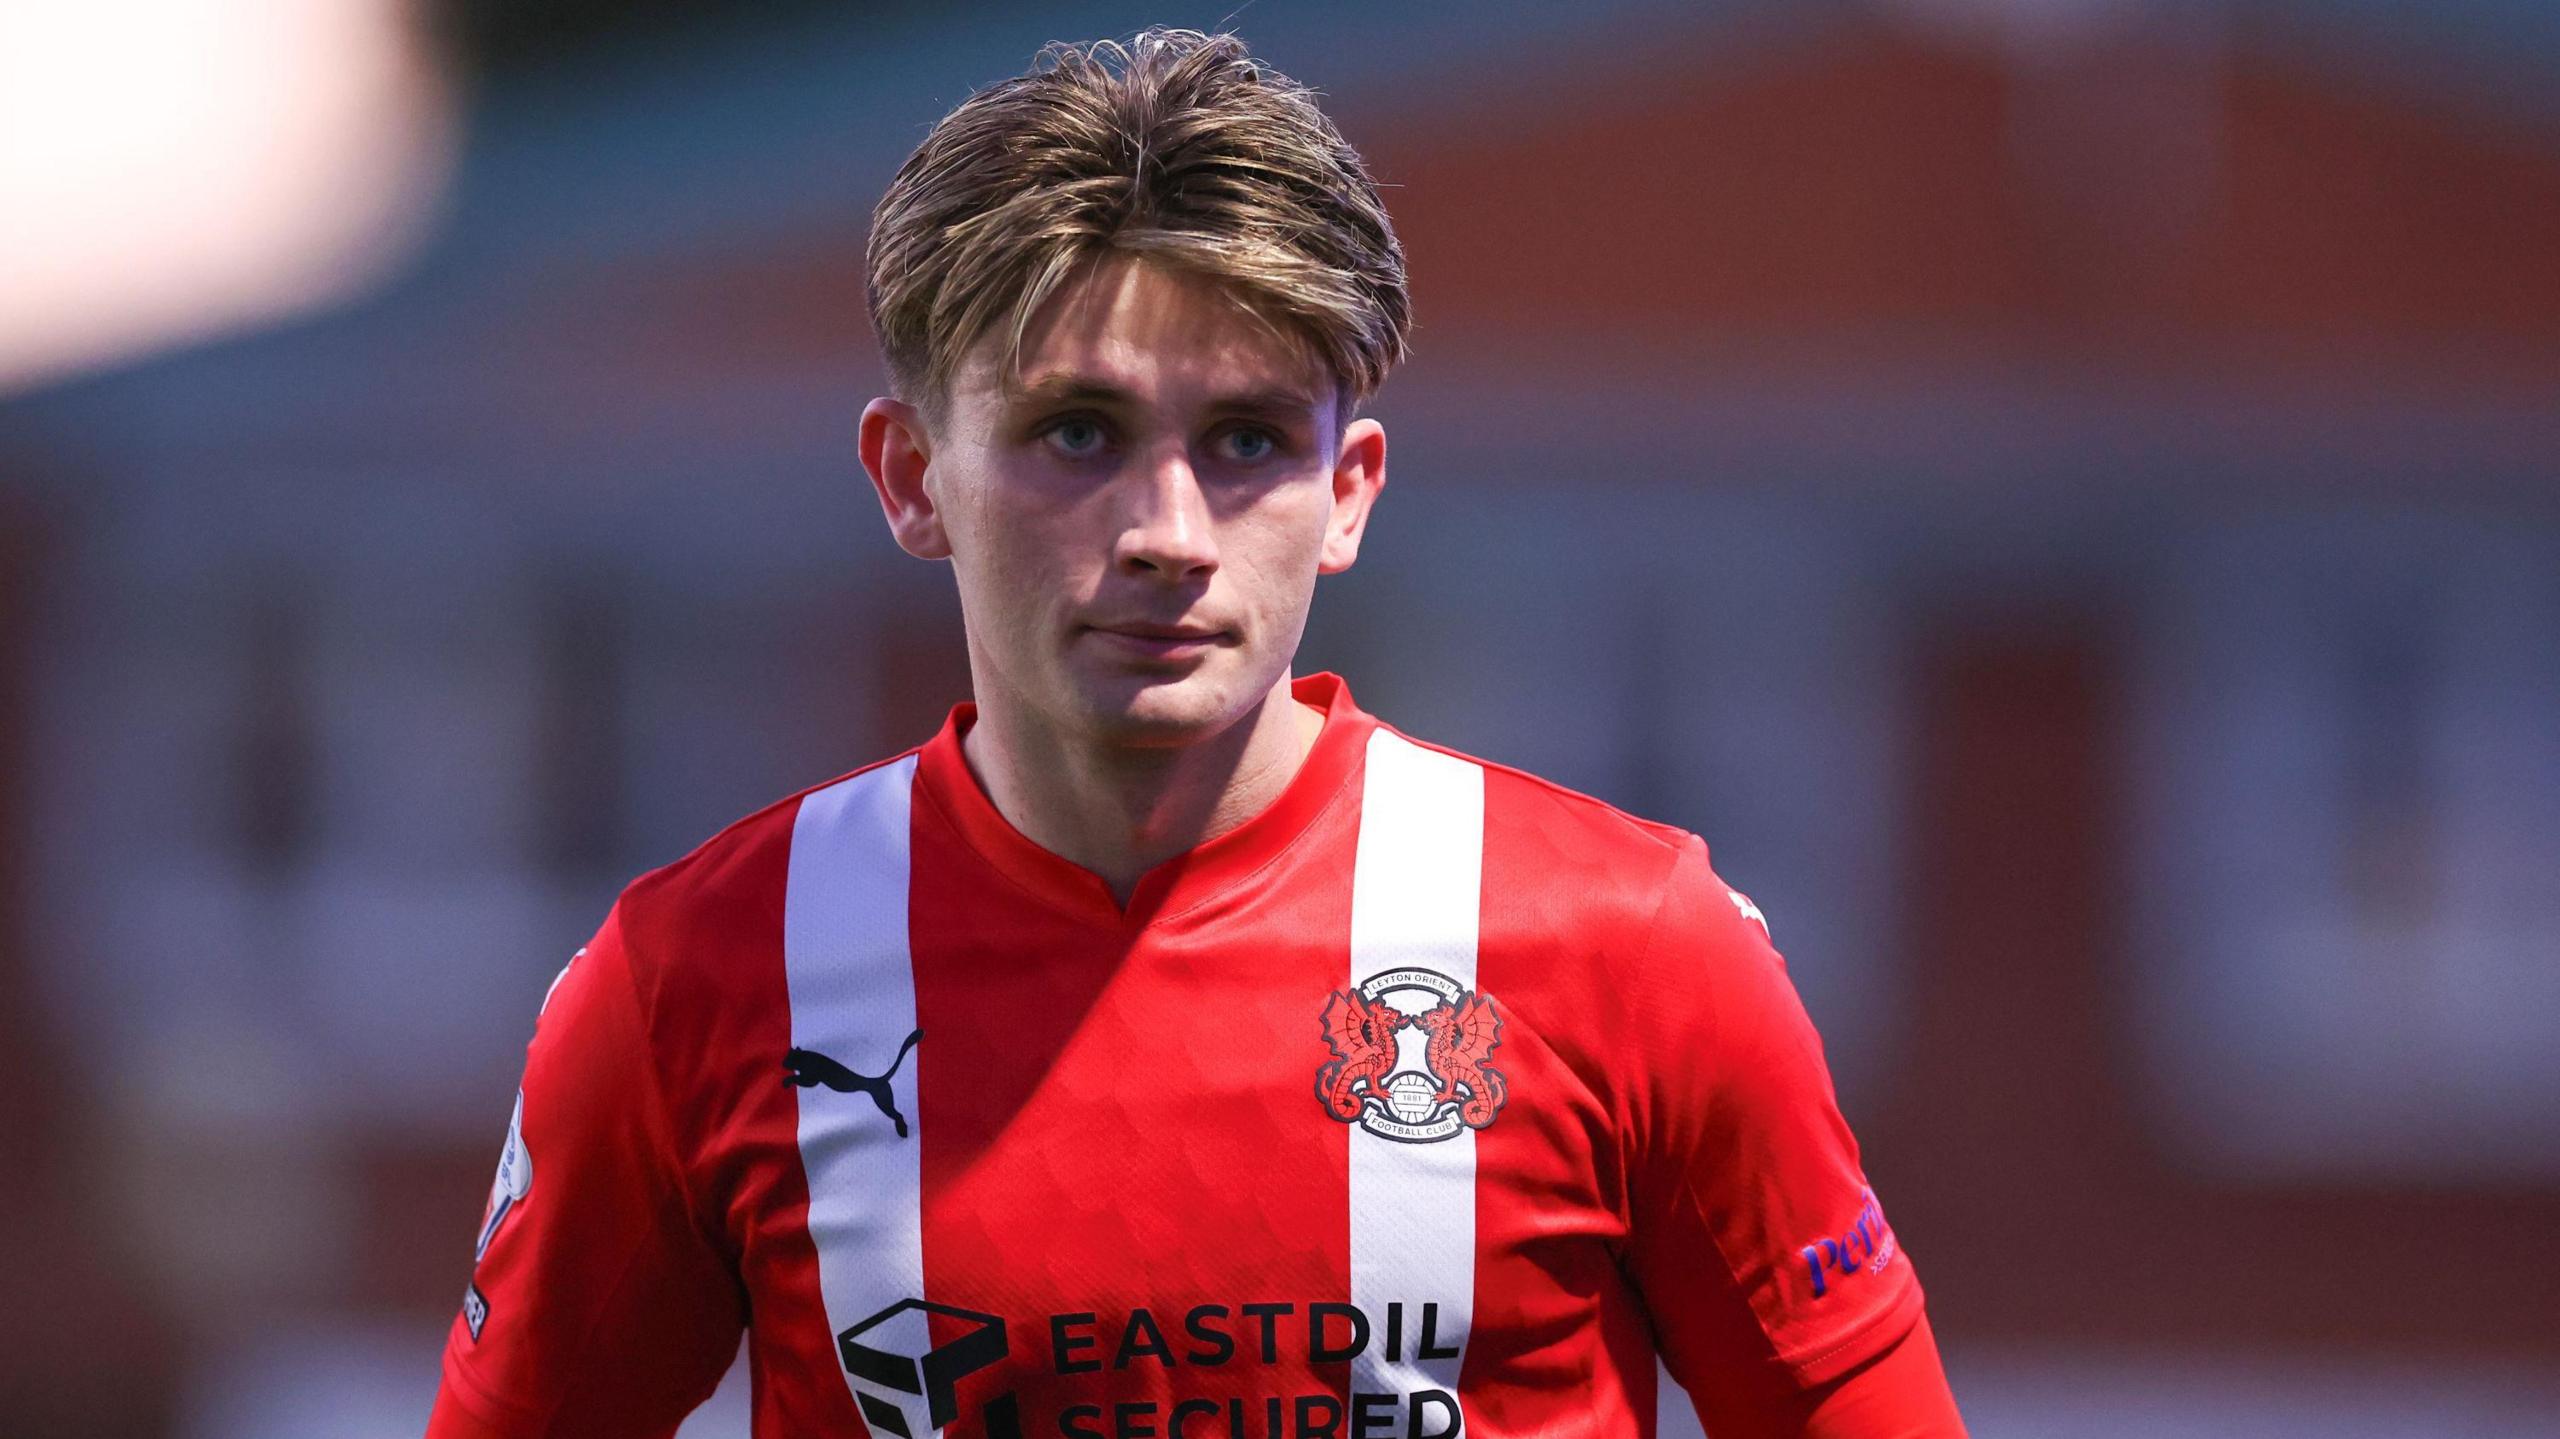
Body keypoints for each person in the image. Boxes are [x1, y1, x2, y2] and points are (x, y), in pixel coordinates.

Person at [426, 28, 1965, 1439]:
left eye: (1244, 442)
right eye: (1075, 433)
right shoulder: (686, 988)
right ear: (910, 478)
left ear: (1346, 490)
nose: (1169, 530)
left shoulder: (1634, 949)